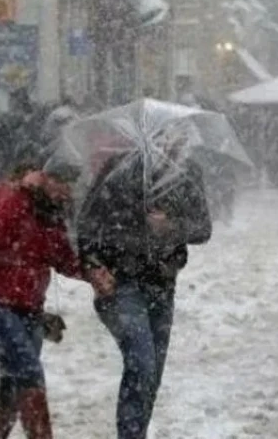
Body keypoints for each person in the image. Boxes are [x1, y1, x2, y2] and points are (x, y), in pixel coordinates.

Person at [78, 132, 211, 439]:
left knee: (152, 375)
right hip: (122, 283)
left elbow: (203, 227)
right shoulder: (119, 170)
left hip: (163, 285)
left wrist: (171, 226)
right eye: (162, 137)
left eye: (177, 136)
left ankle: (135, 433)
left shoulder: (187, 174)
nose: (169, 143)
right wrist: (93, 266)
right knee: (142, 365)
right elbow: (86, 224)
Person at [0, 163, 88, 439]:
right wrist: (23, 192)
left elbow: (64, 259)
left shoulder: (51, 216)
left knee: (13, 383)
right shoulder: (5, 194)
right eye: (62, 185)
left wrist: (94, 272)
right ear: (43, 178)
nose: (65, 194)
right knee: (29, 372)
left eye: (70, 188)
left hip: (29, 310)